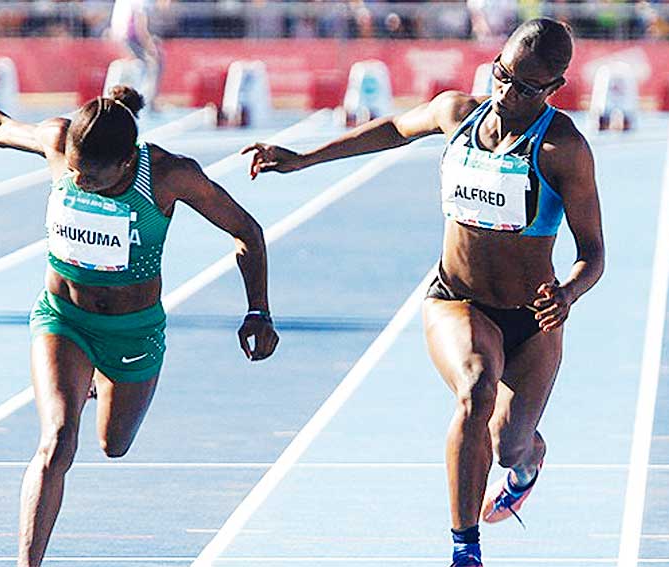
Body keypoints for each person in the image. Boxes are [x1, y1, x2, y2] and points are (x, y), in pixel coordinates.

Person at [0, 38, 279, 567]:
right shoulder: (61, 143)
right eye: (76, 173)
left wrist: (258, 310)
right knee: (58, 440)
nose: (80, 182)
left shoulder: (170, 176)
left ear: (127, 162)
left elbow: (247, 230)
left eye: (95, 178)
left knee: (114, 445)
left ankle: (99, 380)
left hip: (133, 332)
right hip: (62, 318)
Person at [242, 18, 604, 567]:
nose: (505, 91)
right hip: (456, 299)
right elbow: (391, 128)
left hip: (533, 319)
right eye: (501, 74)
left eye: (525, 87)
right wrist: (304, 159)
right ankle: (465, 551)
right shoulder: (457, 112)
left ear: (553, 88)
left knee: (511, 443)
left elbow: (593, 251)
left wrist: (570, 292)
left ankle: (529, 464)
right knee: (476, 391)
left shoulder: (562, 149)